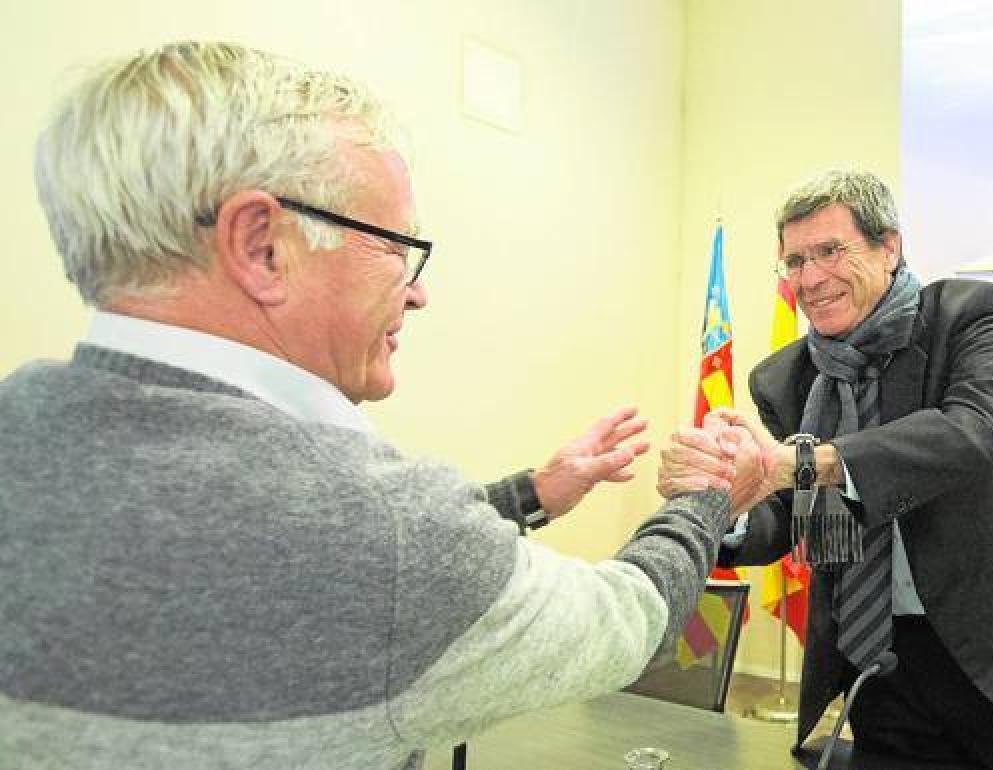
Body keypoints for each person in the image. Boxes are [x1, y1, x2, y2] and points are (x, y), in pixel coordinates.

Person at [0, 42, 765, 770]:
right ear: (261, 245)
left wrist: (531, 493)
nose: (418, 289)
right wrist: (704, 499)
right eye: (397, 245)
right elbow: (620, 622)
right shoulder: (383, 528)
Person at [679, 170, 993, 769]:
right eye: (795, 261)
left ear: (889, 247)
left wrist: (810, 462)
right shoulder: (784, 379)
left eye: (831, 251)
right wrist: (724, 503)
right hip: (879, 656)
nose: (811, 278)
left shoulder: (963, 315)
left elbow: (974, 432)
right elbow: (786, 509)